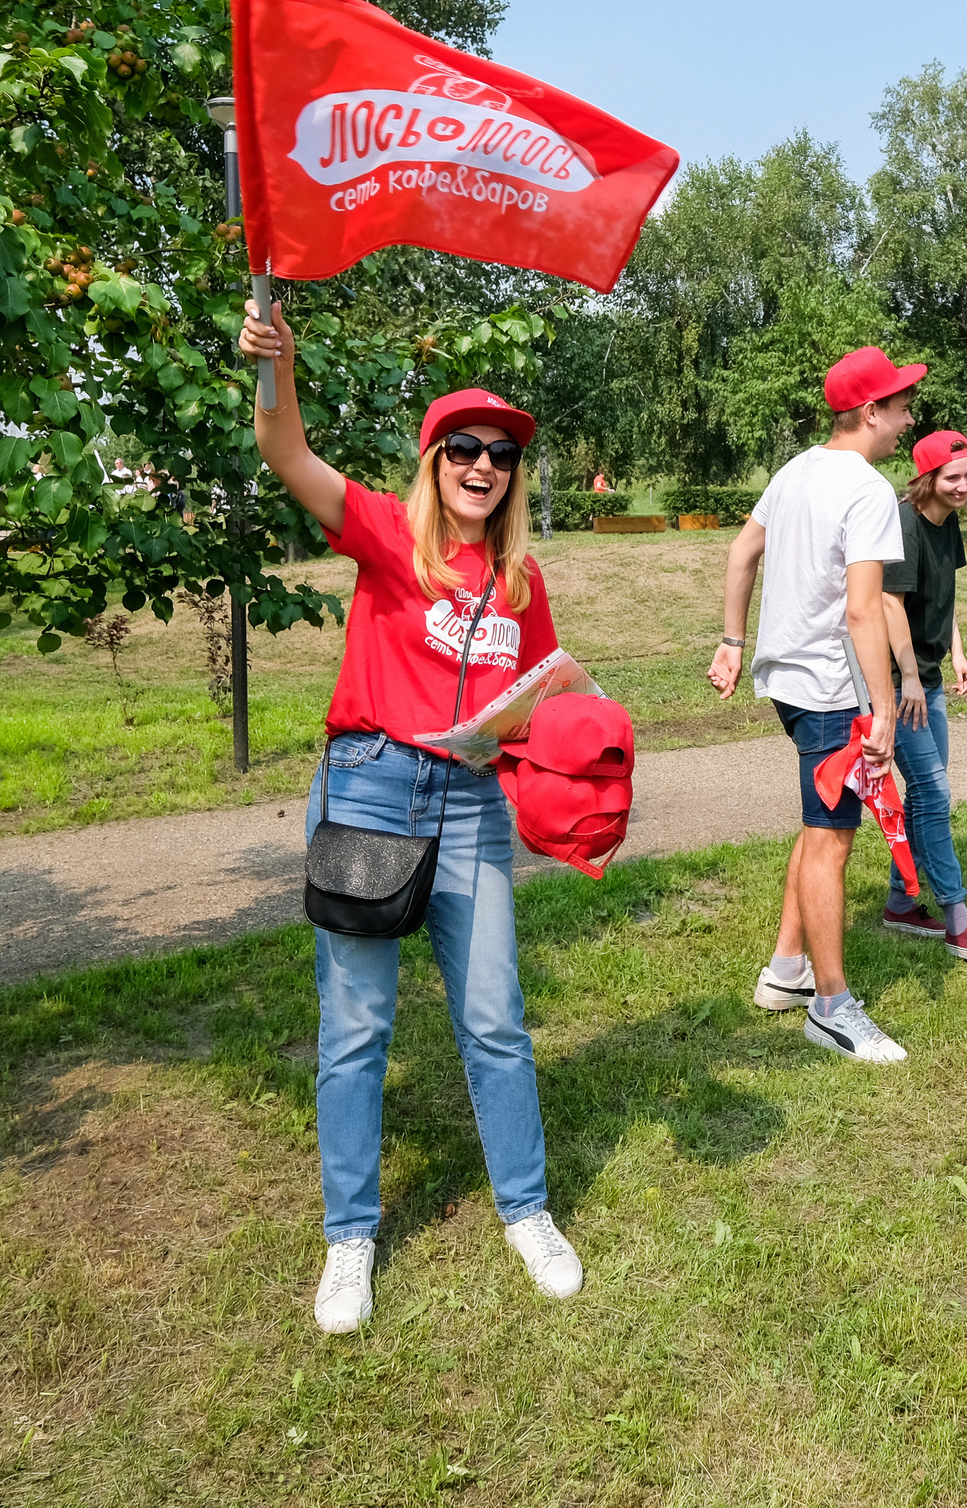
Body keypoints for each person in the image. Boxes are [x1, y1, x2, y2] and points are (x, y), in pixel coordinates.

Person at [241, 299, 584, 1334]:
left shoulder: (521, 579)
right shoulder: (390, 536)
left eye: (502, 455)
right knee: (355, 1028)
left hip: (472, 802)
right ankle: (350, 1235)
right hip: (373, 790)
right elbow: (284, 451)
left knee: (493, 1019)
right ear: (433, 460)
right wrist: (276, 366)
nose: (484, 466)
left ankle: (526, 1211)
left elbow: (545, 694)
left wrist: (563, 733)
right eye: (464, 448)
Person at [707, 346, 920, 1062]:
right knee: (832, 840)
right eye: (899, 406)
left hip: (787, 683)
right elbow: (865, 611)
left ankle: (786, 969)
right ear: (868, 412)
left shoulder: (794, 470)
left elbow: (741, 554)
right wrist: (885, 706)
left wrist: (733, 639)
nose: (906, 419)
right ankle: (831, 1006)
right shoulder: (867, 489)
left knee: (815, 822)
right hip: (831, 690)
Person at [876, 430, 967, 965]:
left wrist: (957, 651)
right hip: (896, 680)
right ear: (927, 478)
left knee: (924, 794)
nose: (964, 485)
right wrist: (907, 675)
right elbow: (889, 603)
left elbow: (945, 597)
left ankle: (901, 902)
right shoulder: (904, 524)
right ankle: (957, 918)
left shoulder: (945, 520)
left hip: (927, 677)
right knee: (933, 792)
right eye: (953, 477)